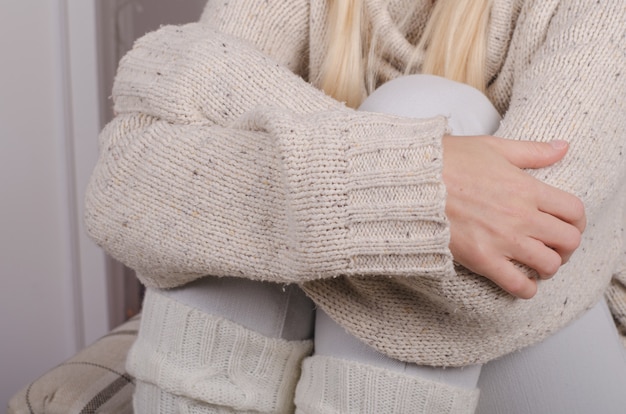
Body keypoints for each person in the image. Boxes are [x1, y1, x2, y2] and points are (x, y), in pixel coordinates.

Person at [84, 0, 626, 412]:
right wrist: (428, 181)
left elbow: (510, 270)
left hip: (546, 345)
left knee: (414, 111)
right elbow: (124, 187)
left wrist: (197, 70)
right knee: (223, 240)